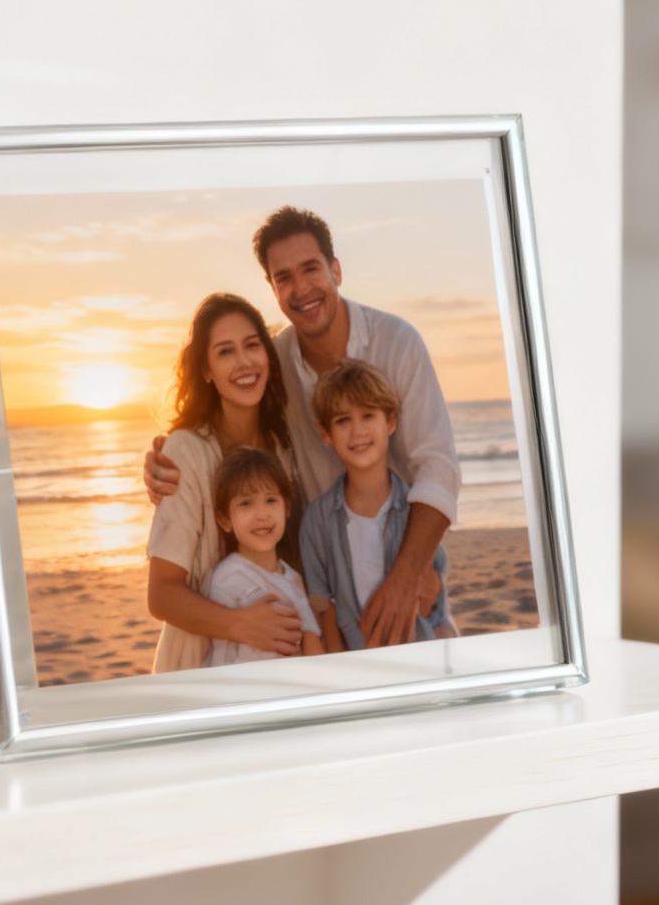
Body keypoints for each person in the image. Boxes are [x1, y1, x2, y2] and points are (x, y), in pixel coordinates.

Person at [145, 206, 460, 648]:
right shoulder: (274, 365)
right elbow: (222, 420)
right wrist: (168, 454)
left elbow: (438, 468)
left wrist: (408, 576)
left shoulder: (397, 342)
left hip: (402, 564)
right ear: (273, 289)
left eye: (311, 269)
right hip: (322, 585)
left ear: (336, 270)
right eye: (284, 278)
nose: (301, 288)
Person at [144, 294, 308, 672]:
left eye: (252, 345)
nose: (244, 362)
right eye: (225, 352)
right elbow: (162, 594)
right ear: (206, 370)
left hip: (274, 667)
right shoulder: (186, 452)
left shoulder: (282, 448)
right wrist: (241, 625)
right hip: (199, 672)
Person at [299, 359, 453, 649]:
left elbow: (431, 605)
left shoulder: (416, 513)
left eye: (368, 415)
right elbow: (323, 606)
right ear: (326, 434)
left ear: (391, 422)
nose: (357, 431)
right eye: (342, 421)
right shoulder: (317, 519)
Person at [200, 448, 336, 666]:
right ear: (225, 520)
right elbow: (224, 655)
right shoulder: (227, 577)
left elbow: (311, 644)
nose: (262, 515)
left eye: (271, 500)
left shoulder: (293, 578)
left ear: (286, 508)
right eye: (246, 503)